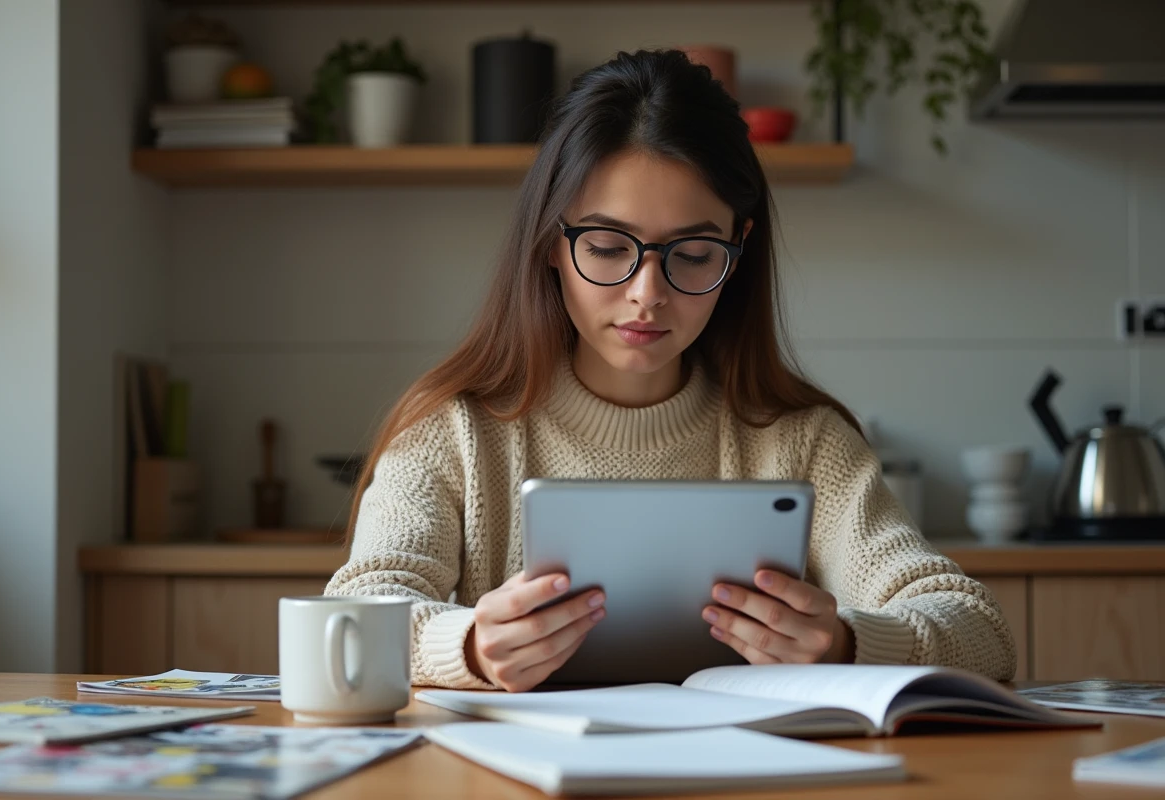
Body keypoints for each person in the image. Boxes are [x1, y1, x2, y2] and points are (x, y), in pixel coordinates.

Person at [325, 49, 1017, 692]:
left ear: (738, 251)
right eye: (605, 246)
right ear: (549, 243)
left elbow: (979, 633)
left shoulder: (803, 443)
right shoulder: (453, 432)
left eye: (691, 255)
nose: (647, 293)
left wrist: (843, 644)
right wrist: (471, 645)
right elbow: (350, 619)